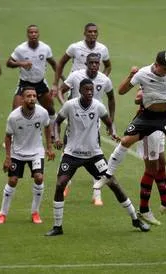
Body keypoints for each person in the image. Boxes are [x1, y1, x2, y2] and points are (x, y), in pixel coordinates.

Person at [45, 78, 149, 236]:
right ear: (80, 91)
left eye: (91, 90)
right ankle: (57, 226)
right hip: (72, 154)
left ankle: (135, 219)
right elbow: (57, 122)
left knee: (113, 183)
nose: (89, 92)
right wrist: (57, 138)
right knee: (60, 185)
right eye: (86, 90)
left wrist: (113, 132)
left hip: (94, 155)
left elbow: (108, 122)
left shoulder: (98, 106)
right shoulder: (70, 105)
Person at [93, 51, 166, 193]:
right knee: (125, 141)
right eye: (164, 69)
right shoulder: (142, 73)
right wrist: (131, 75)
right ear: (156, 65)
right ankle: (107, 175)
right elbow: (121, 91)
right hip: (148, 116)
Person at [57, 53, 116, 204]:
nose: (95, 65)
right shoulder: (76, 76)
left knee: (95, 157)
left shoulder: (104, 80)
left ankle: (97, 194)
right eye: (92, 63)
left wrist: (111, 122)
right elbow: (60, 90)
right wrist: (65, 105)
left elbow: (111, 98)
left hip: (93, 123)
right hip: (75, 122)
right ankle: (65, 183)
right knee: (67, 152)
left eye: (97, 63)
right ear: (86, 63)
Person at [0, 87, 55, 224]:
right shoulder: (14, 117)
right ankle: (2, 213)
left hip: (36, 152)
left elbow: (47, 127)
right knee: (13, 180)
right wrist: (8, 157)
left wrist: (49, 148)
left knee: (39, 178)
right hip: (18, 153)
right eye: (28, 96)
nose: (32, 98)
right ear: (22, 99)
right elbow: (8, 137)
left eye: (34, 95)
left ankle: (35, 212)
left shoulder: (42, 112)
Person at [134, 89, 166, 225]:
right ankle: (143, 209)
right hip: (149, 128)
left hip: (162, 126)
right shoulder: (151, 79)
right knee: (151, 169)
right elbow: (138, 97)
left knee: (161, 164)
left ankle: (165, 203)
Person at [6, 25, 59, 131]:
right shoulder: (21, 49)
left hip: (40, 84)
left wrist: (58, 81)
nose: (33, 34)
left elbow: (54, 64)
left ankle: (54, 133)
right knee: (15, 111)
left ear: (38, 34)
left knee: (50, 109)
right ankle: (11, 136)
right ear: (27, 34)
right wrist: (21, 63)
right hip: (25, 84)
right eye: (31, 32)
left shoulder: (45, 48)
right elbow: (9, 63)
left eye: (35, 32)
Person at [52, 22, 111, 96]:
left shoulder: (103, 49)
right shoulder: (75, 47)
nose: (93, 34)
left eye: (95, 32)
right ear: (84, 33)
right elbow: (61, 63)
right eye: (90, 32)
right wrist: (55, 84)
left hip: (92, 85)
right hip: (76, 83)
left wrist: (102, 78)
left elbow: (108, 66)